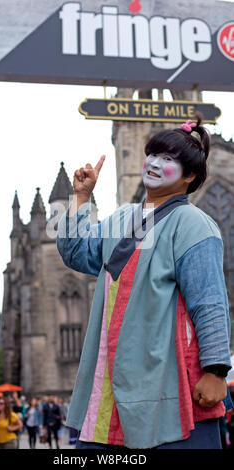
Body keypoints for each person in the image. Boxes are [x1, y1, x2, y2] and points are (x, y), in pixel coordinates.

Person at [57, 116, 232, 449]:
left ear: (190, 176)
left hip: (169, 380)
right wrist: (81, 198)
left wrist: (216, 370)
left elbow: (209, 302)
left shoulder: (193, 224)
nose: (154, 163)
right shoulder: (124, 217)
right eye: (153, 154)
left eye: (168, 160)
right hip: (111, 378)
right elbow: (77, 254)